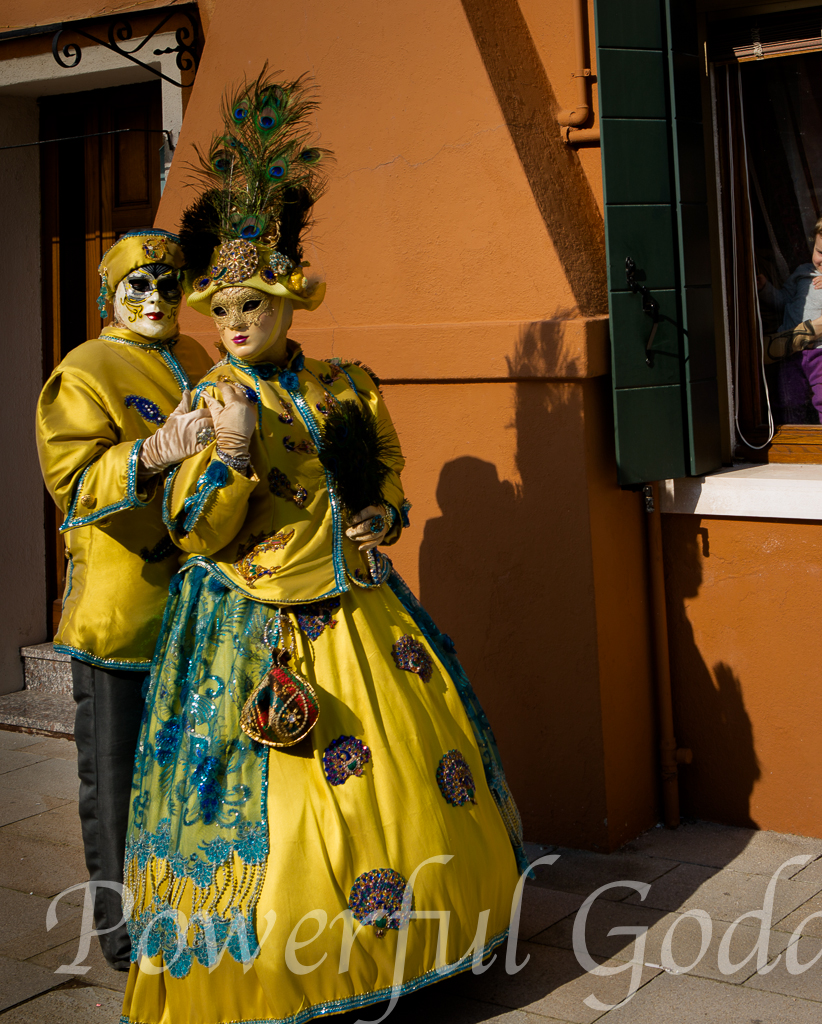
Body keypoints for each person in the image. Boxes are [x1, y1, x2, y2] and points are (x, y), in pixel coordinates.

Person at [120, 70, 526, 1023]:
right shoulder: (211, 401)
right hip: (251, 622)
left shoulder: (347, 381)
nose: (233, 324)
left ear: (290, 302)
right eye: (219, 312)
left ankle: (417, 944)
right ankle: (296, 970)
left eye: (251, 307)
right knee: (278, 805)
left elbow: (381, 463)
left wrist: (383, 515)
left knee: (406, 779)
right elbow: (196, 531)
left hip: (360, 609)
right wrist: (227, 462)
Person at [35, 231, 214, 970]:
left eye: (169, 287)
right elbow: (73, 484)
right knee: (117, 777)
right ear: (109, 291)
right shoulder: (84, 369)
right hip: (123, 616)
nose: (154, 301)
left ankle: (193, 905)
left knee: (191, 773)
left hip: (202, 611)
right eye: (137, 286)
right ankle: (124, 934)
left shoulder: (200, 359)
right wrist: (147, 455)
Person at [757, 210, 822, 424]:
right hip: (790, 349)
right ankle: (792, 442)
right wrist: (765, 288)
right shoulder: (803, 272)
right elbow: (784, 300)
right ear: (813, 245)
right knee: (788, 400)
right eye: (820, 252)